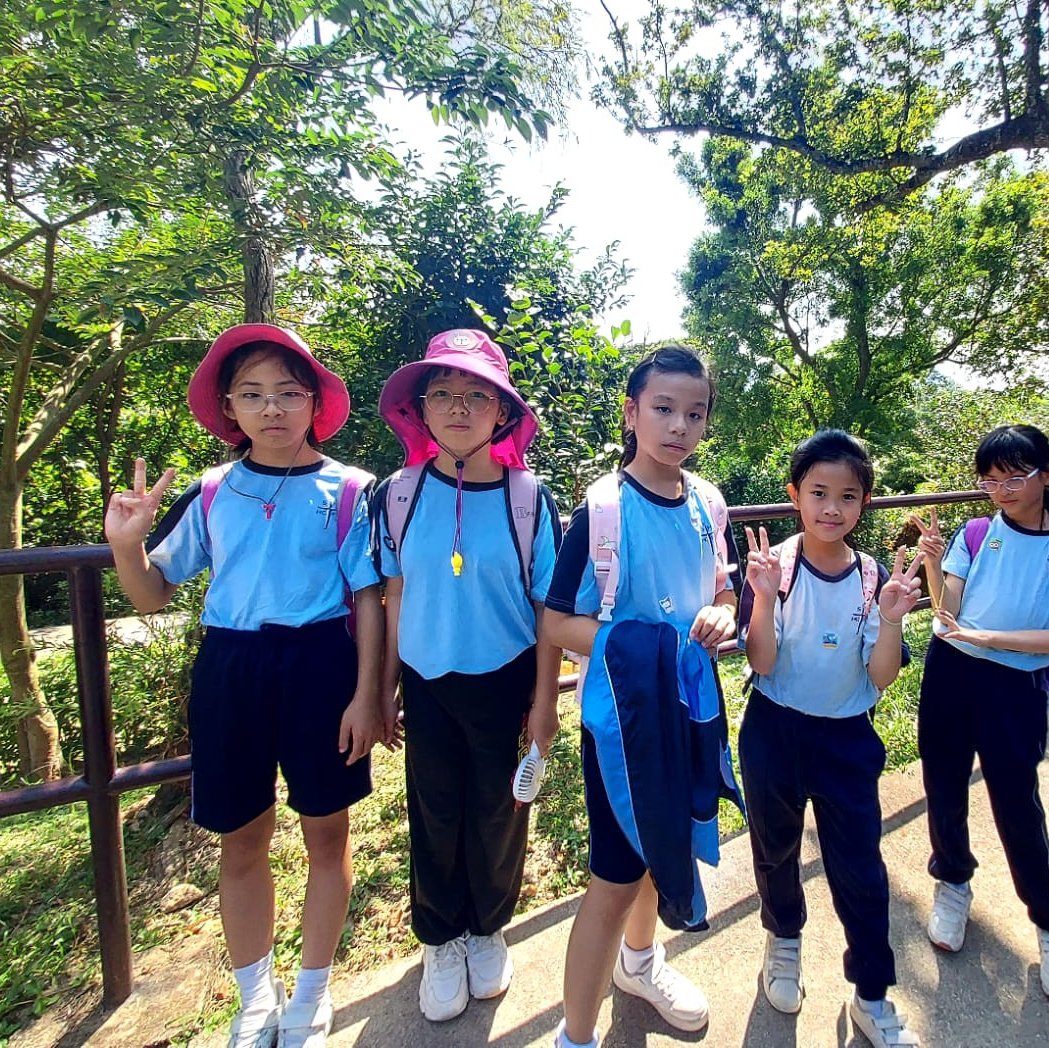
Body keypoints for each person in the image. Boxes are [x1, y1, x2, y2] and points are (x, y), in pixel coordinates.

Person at [104, 324, 383, 1048]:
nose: (272, 408)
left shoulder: (351, 489)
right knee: (241, 837)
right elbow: (153, 593)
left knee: (328, 831)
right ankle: (255, 996)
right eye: (253, 394)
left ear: (314, 400)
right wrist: (126, 545)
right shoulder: (212, 492)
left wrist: (367, 695)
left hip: (322, 666)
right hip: (231, 668)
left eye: (288, 392)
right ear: (229, 407)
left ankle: (312, 989)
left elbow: (368, 598)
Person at [542, 345, 739, 1048]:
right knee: (615, 875)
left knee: (666, 845)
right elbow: (557, 622)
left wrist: (723, 614)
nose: (679, 426)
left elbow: (722, 589)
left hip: (687, 708)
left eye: (695, 413)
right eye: (663, 408)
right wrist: (642, 644)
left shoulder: (708, 503)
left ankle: (640, 962)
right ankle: (575, 1035)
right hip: (622, 725)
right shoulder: (602, 510)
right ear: (631, 413)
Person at [373, 329, 563, 1023]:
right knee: (434, 809)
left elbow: (547, 608)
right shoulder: (397, 495)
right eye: (443, 393)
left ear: (502, 412)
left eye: (477, 395)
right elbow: (392, 596)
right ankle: (439, 937)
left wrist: (545, 700)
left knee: (500, 809)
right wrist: (383, 689)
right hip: (425, 681)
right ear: (419, 408)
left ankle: (488, 928)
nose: (459, 407)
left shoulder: (529, 498)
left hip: (506, 681)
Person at [738, 429, 924, 1047]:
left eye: (847, 496)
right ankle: (784, 937)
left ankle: (872, 992)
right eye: (818, 492)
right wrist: (764, 599)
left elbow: (881, 676)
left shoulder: (872, 577)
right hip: (774, 730)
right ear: (795, 495)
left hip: (847, 738)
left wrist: (891, 620)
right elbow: (761, 662)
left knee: (860, 865)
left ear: (864, 503)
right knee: (775, 848)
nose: (831, 508)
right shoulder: (773, 567)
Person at [911, 424, 1049, 1006]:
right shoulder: (974, 533)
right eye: (990, 481)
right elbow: (948, 614)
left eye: (1015, 478)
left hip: (1014, 686)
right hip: (951, 672)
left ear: (1047, 475)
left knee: (1018, 805)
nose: (1002, 491)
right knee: (943, 786)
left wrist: (992, 638)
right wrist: (933, 566)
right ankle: (952, 882)